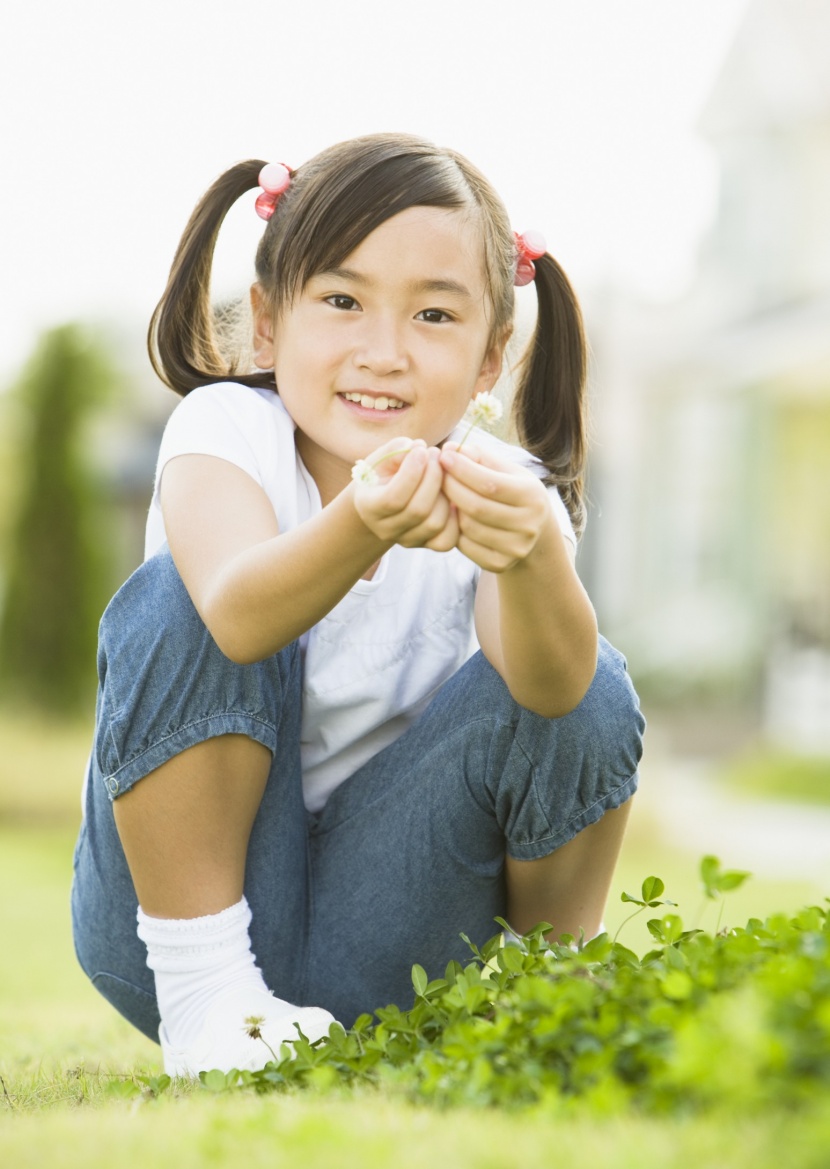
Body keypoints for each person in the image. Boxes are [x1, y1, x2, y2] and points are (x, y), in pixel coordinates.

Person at [71, 132, 645, 1078]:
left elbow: (553, 701)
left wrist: (536, 558)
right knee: (178, 593)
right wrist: (361, 525)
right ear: (266, 323)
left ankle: (544, 1000)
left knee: (596, 676)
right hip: (168, 929)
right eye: (342, 302)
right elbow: (235, 615)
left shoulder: (505, 492)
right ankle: (214, 1006)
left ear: (493, 355)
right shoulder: (224, 434)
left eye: (432, 315)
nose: (383, 353)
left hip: (386, 923)